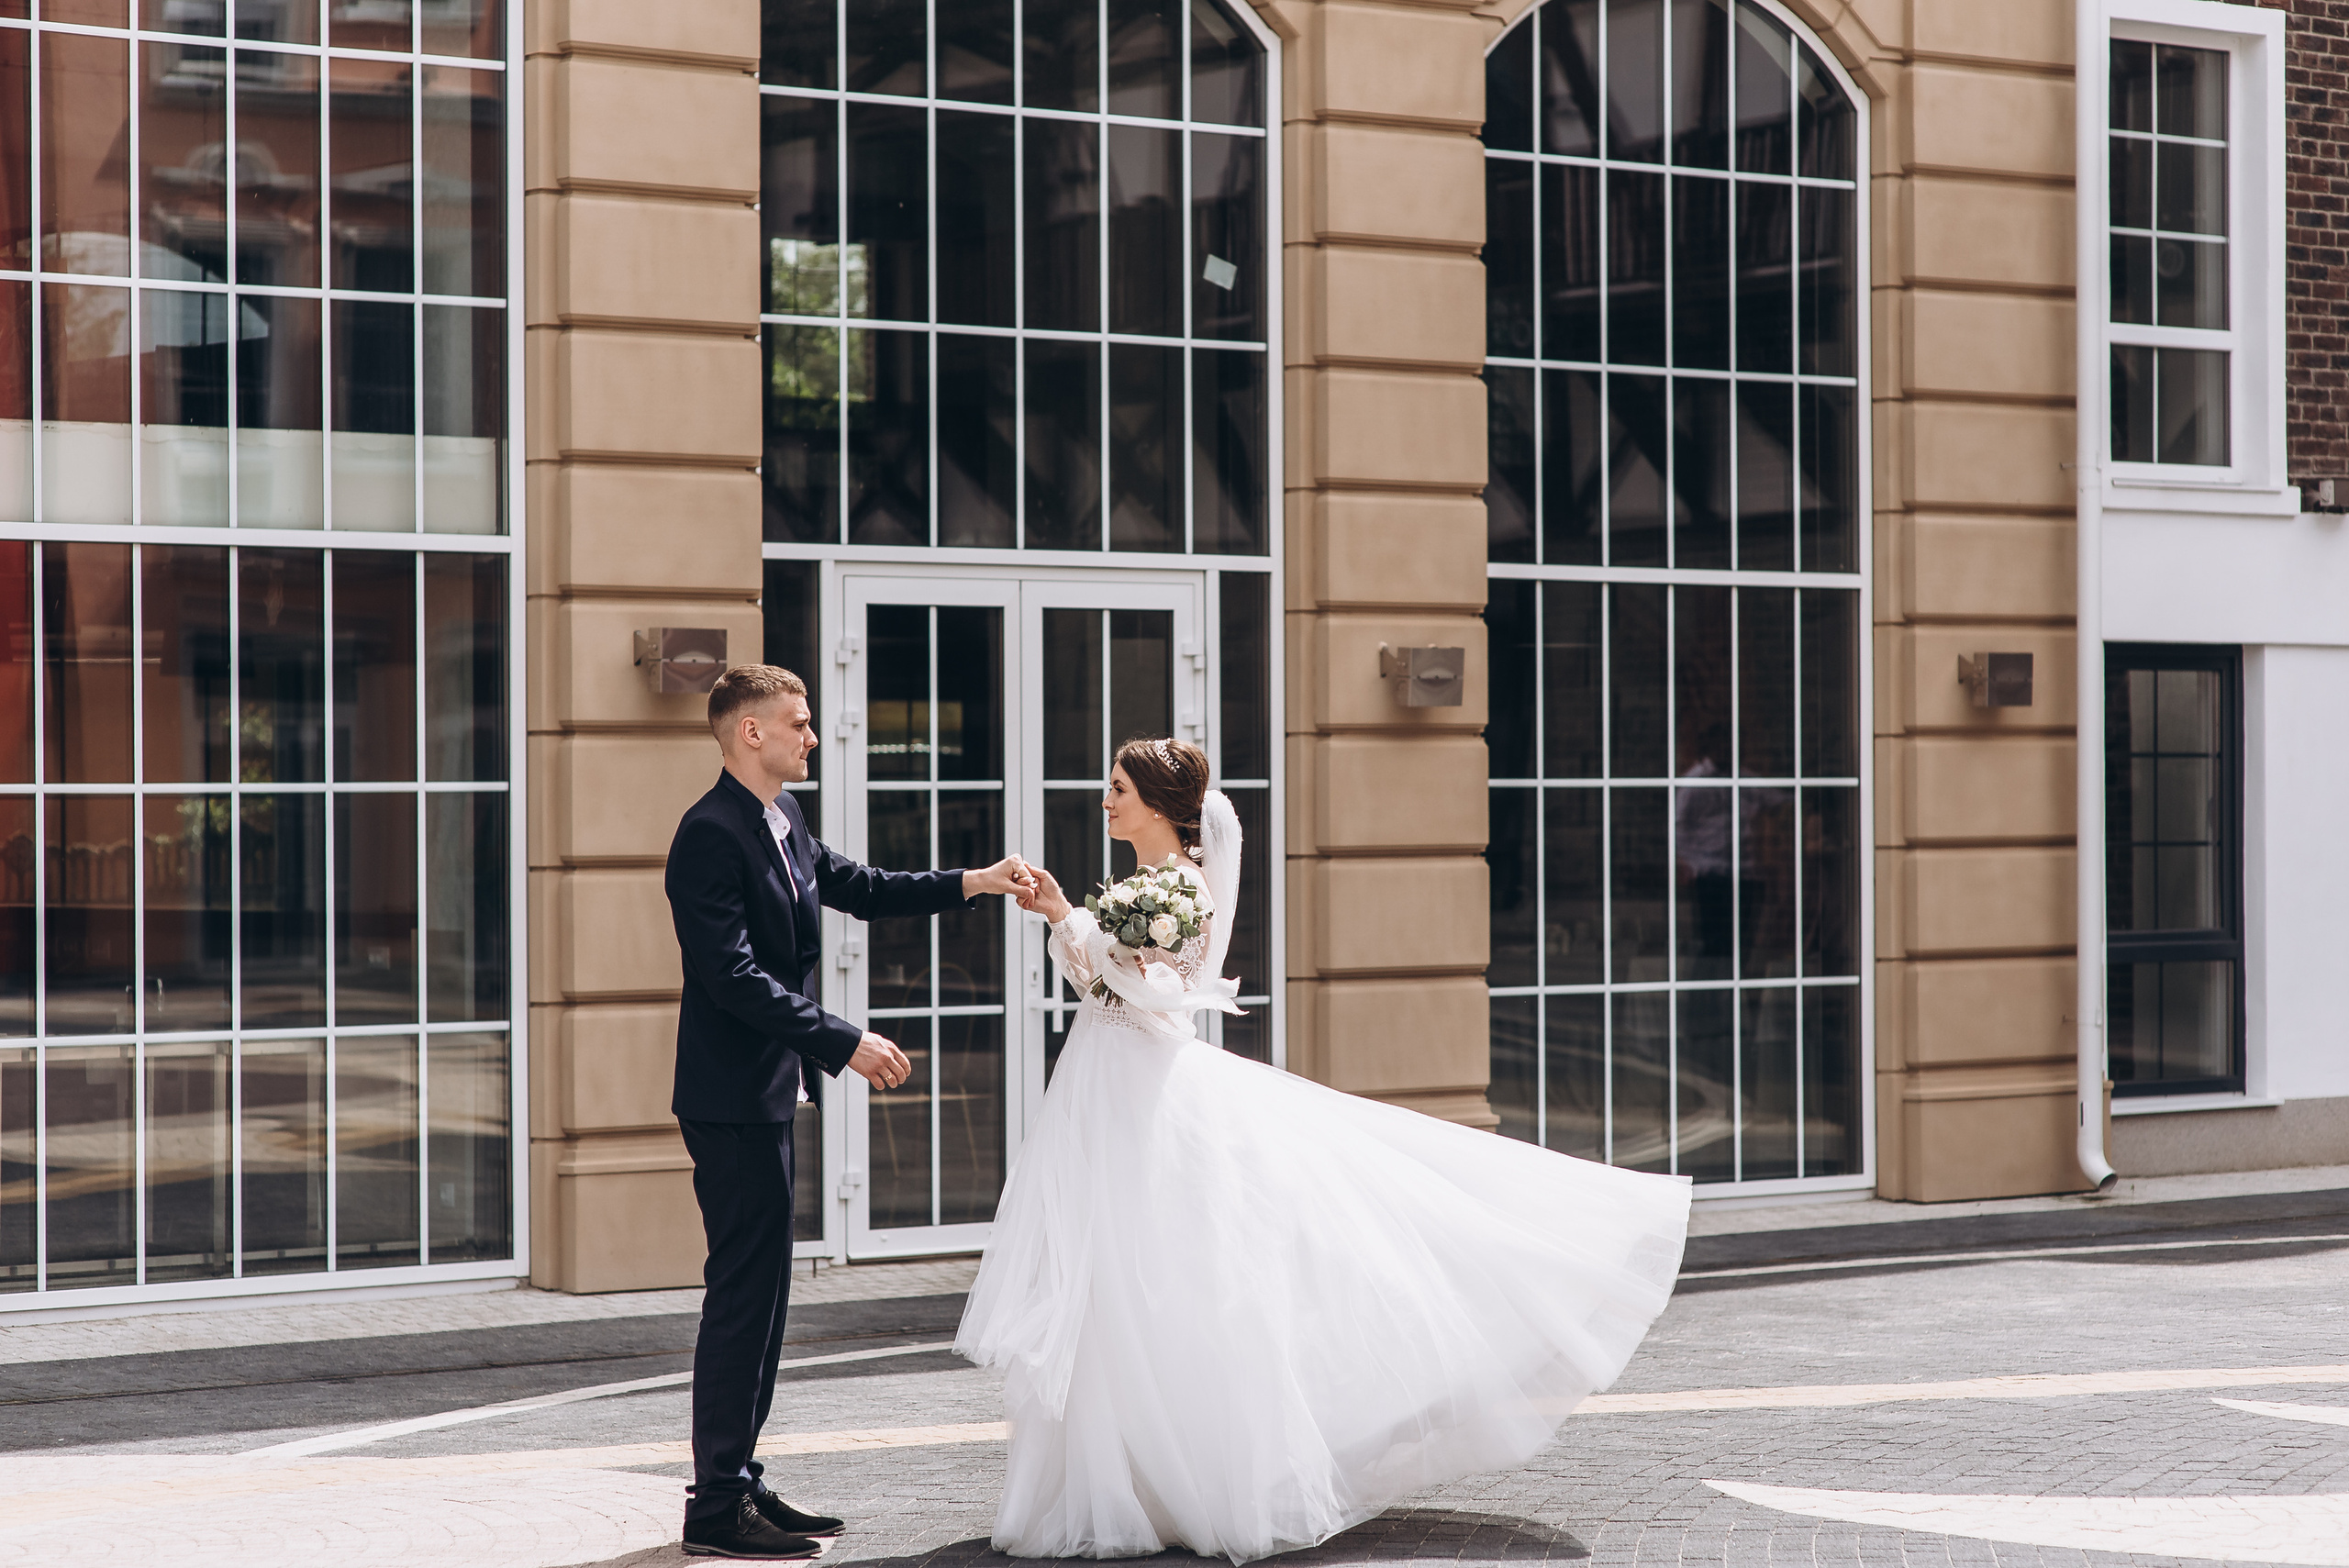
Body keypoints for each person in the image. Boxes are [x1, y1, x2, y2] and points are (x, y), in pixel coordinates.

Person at [957, 737, 1692, 1564]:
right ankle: (1122, 1477)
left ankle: (1182, 1475)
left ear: (1159, 803)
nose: (1106, 799)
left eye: (1118, 787)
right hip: (1101, 1087)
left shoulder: (1179, 888)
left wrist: (1072, 924)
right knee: (1107, 1281)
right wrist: (1067, 916)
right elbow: (1106, 983)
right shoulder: (1142, 887)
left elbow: (1159, 994)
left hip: (1143, 1092)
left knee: (1157, 1277)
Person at [665, 663, 1034, 1559]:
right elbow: (735, 977)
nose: (811, 736)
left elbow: (861, 884)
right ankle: (715, 1505)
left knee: (765, 1297)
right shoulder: (709, 833)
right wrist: (844, 1040)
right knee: (742, 1298)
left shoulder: (779, 819)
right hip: (729, 1100)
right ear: (749, 731)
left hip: (765, 1094)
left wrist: (973, 879)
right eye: (797, 722)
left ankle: (738, 1478)